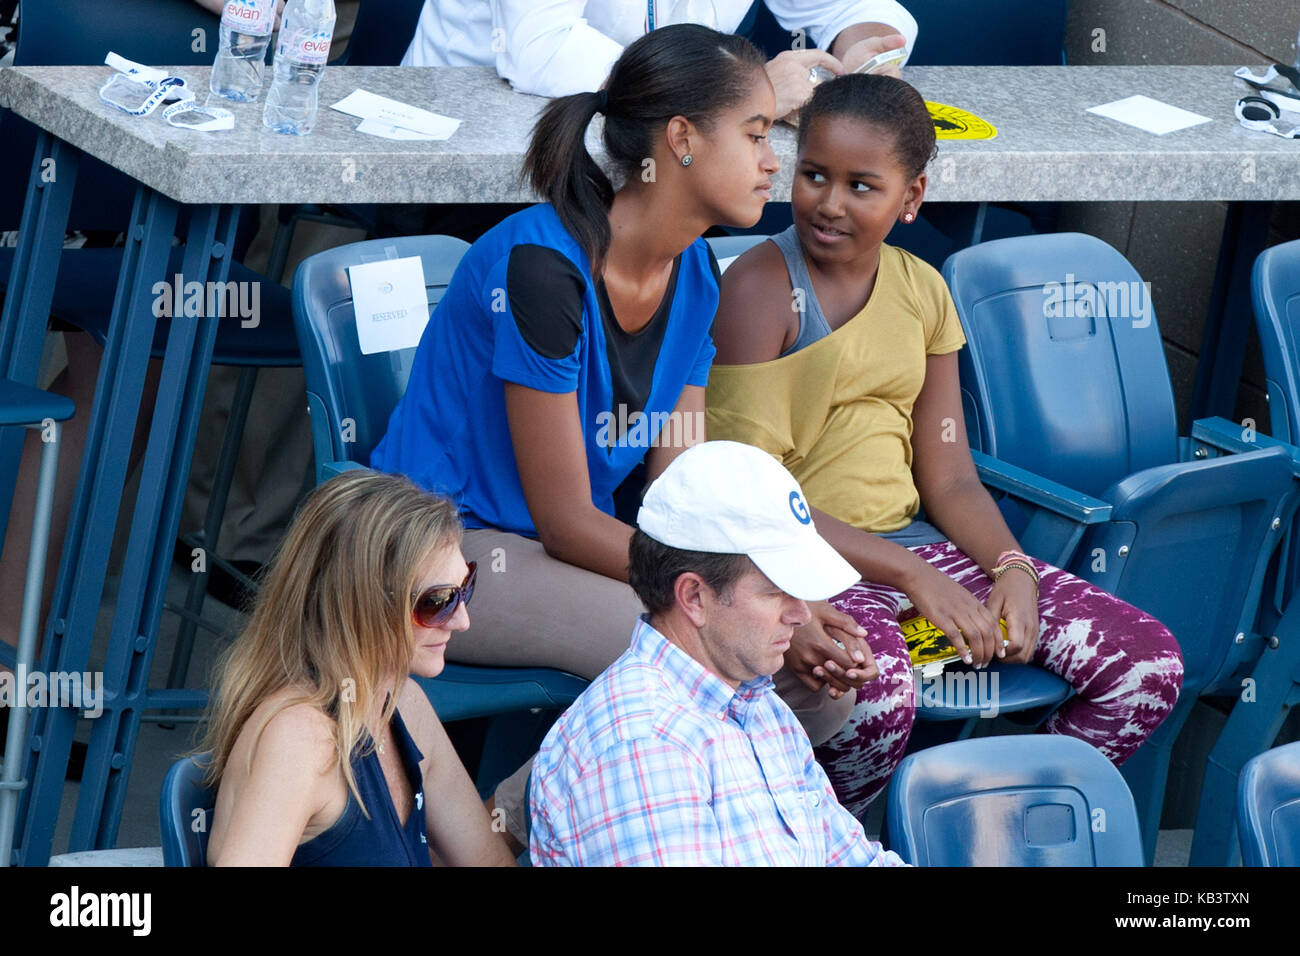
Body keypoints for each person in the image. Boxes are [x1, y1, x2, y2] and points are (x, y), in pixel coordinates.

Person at [373, 25, 874, 848]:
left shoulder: (698, 279)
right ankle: (505, 835)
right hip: (446, 552)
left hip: (561, 552)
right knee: (720, 651)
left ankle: (563, 813)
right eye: (754, 135)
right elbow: (567, 516)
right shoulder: (543, 270)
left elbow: (684, 501)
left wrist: (782, 596)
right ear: (681, 140)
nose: (771, 160)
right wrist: (740, 607)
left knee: (807, 674)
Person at [705, 73, 1186, 817]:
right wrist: (914, 578)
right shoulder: (763, 290)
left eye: (862, 186)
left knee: (1145, 663)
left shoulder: (924, 289)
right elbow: (751, 496)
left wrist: (1012, 568)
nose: (830, 202)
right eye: (814, 176)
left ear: (912, 197)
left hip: (918, 564)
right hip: (803, 566)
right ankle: (824, 840)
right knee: (877, 690)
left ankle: (993, 825)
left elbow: (950, 475)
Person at [529, 440, 907, 866]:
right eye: (775, 592)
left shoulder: (760, 706)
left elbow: (851, 858)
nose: (801, 614)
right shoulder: (641, 748)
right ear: (694, 596)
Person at [201, 470, 516, 866]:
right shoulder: (301, 739)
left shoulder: (404, 704)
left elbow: (489, 861)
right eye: (437, 602)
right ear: (362, 605)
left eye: (464, 589)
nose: (462, 620)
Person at [402, 1, 917, 118]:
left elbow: (858, 9)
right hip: (472, 145)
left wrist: (860, 62)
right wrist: (746, 88)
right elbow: (544, 50)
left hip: (660, 142)